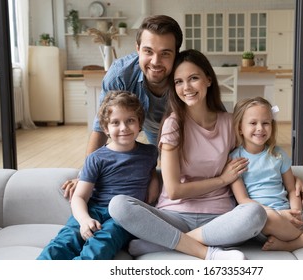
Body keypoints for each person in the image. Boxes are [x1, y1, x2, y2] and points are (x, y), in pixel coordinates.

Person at [108, 49, 268, 260]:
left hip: (219, 219)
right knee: (118, 205)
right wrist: (221, 179)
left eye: (193, 78)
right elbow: (174, 190)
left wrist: (290, 179)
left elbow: (256, 155)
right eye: (179, 82)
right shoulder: (173, 125)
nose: (187, 88)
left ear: (208, 80)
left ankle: (167, 243)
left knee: (255, 213)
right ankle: (206, 252)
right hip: (173, 215)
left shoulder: (230, 123)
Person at [61, 15, 183, 199]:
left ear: (176, 53)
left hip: (182, 127)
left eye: (165, 53)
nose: (156, 61)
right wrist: (84, 176)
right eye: (148, 51)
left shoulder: (187, 72)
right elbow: (101, 127)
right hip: (147, 123)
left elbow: (209, 118)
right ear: (137, 49)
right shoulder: (121, 74)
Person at [37, 91, 159, 260]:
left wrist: (153, 180)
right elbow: (79, 197)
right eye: (115, 123)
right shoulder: (97, 158)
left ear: (140, 124)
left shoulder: (150, 153)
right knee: (64, 242)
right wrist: (84, 220)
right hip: (93, 210)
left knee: (100, 245)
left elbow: (151, 171)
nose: (123, 128)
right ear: (105, 128)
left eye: (130, 120)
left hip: (123, 216)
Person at [230, 96, 303, 252]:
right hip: (264, 220)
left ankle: (293, 244)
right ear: (240, 127)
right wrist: (278, 214)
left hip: (289, 215)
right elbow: (243, 200)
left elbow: (292, 189)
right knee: (271, 219)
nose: (260, 128)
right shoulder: (234, 159)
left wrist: (297, 213)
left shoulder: (278, 154)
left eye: (266, 123)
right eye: (253, 123)